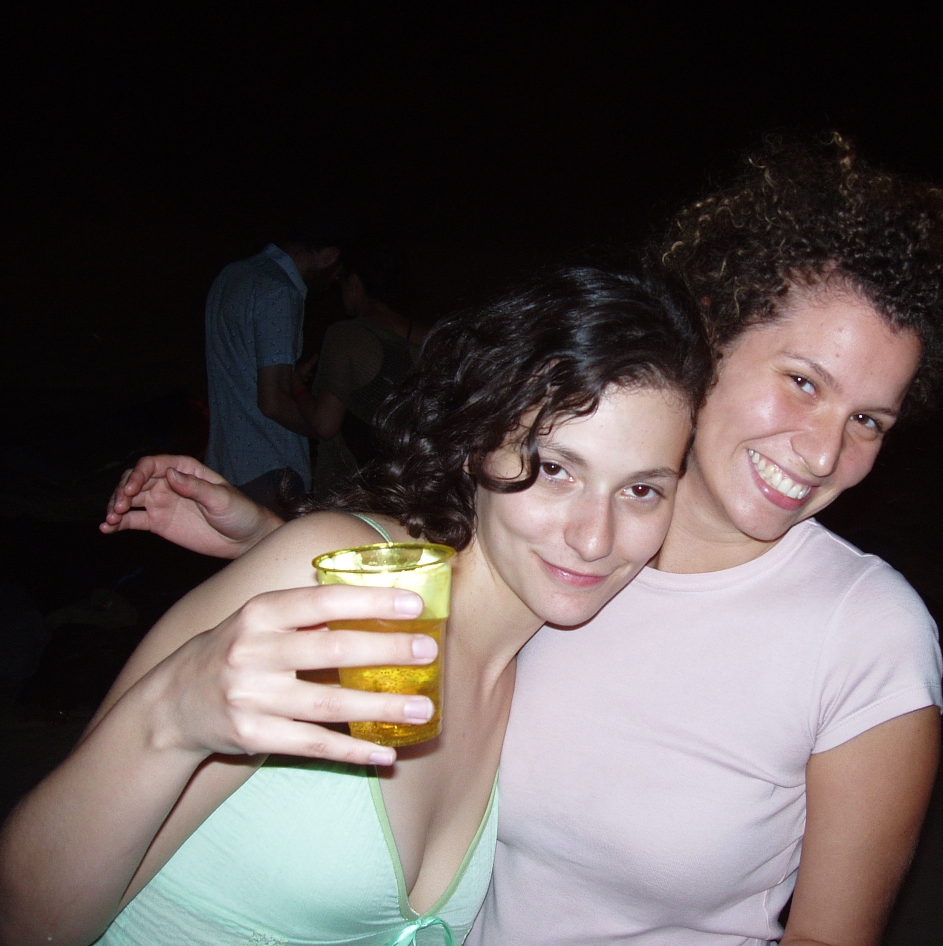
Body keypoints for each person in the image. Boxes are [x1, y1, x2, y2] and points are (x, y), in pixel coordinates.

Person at [95, 133, 943, 945]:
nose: (825, 452)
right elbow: (462, 577)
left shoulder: (864, 629)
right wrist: (275, 544)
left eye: (870, 421)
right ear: (715, 331)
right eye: (804, 382)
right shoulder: (585, 555)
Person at [0, 268, 712, 946]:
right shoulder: (331, 590)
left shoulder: (545, 661)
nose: (595, 538)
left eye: (642, 490)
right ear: (476, 444)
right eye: (555, 468)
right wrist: (172, 717)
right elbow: (26, 920)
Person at [204, 225, 342, 511]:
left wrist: (292, 378)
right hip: (271, 469)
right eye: (338, 272)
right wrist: (324, 430)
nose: (334, 281)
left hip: (224, 468)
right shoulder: (279, 289)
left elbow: (243, 368)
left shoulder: (231, 275)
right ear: (329, 257)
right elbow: (273, 402)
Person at [294, 236, 427, 496]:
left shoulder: (347, 335)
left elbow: (325, 424)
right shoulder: (435, 338)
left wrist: (297, 387)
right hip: (421, 490)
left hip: (361, 497)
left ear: (354, 282)